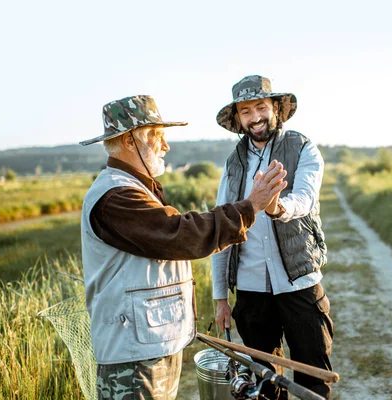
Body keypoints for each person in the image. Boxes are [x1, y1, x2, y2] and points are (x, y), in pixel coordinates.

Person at [78, 94, 287, 400]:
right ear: (127, 141)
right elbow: (180, 234)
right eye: (156, 136)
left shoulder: (134, 187)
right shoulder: (115, 196)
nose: (165, 146)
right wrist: (249, 207)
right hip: (133, 358)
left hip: (151, 345)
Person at [211, 75, 333, 399]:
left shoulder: (303, 147)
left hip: (299, 284)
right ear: (238, 118)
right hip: (251, 292)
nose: (255, 118)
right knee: (263, 385)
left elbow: (305, 199)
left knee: (313, 378)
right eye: (246, 111)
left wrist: (276, 207)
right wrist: (220, 296)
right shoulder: (233, 164)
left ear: (276, 107)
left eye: (261, 107)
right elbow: (223, 227)